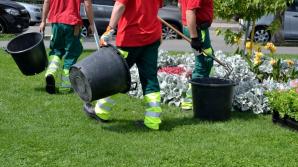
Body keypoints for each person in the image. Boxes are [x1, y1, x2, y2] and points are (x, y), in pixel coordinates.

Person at [83, 0, 163, 130]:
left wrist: (109, 29)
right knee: (150, 78)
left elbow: (120, 5)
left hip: (130, 38)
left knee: (117, 74)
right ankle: (153, 120)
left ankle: (101, 111)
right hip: (151, 37)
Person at [40, 0, 95, 94]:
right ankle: (65, 86)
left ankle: (50, 72)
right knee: (72, 52)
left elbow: (46, 1)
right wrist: (91, 23)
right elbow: (87, 4)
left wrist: (43, 21)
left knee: (56, 50)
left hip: (56, 22)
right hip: (72, 22)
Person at [178, 0, 214, 110]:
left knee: (204, 60)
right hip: (198, 31)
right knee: (204, 63)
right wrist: (194, 37)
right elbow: (189, 11)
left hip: (195, 29)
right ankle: (191, 100)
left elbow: (180, 5)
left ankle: (201, 93)